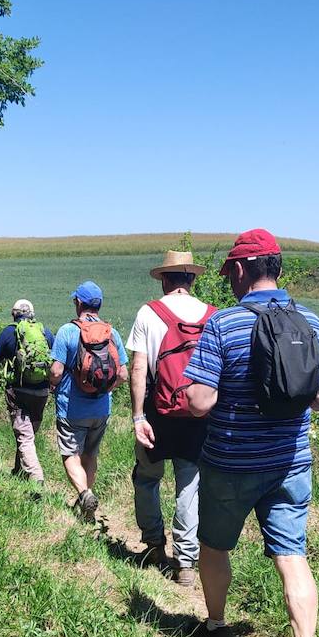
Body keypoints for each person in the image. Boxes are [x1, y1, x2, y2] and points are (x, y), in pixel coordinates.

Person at [183, 229, 319, 637]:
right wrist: (285, 387)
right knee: (292, 555)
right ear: (277, 268)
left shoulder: (223, 324)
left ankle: (214, 625)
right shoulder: (311, 322)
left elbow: (199, 401)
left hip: (231, 462)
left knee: (214, 547)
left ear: (239, 270)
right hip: (290, 463)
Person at [126, 250, 216, 587]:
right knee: (189, 485)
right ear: (191, 279)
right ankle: (187, 565)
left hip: (157, 413)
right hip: (198, 415)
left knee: (147, 478)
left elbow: (138, 367)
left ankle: (153, 546)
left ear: (165, 279)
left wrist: (137, 417)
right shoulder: (213, 315)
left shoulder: (150, 313)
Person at [48, 281, 126, 521]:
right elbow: (123, 374)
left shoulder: (67, 331)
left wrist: (51, 384)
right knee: (90, 455)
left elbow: (57, 371)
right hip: (101, 408)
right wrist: (105, 390)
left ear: (78, 303)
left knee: (70, 454)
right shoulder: (111, 333)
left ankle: (84, 493)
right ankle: (86, 509)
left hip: (72, 409)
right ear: (99, 305)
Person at [0, 298, 56, 484]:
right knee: (28, 436)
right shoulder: (44, 332)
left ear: (14, 314)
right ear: (32, 314)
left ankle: (36, 478)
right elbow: (56, 358)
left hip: (18, 391)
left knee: (25, 437)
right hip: (42, 392)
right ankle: (18, 473)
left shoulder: (10, 332)